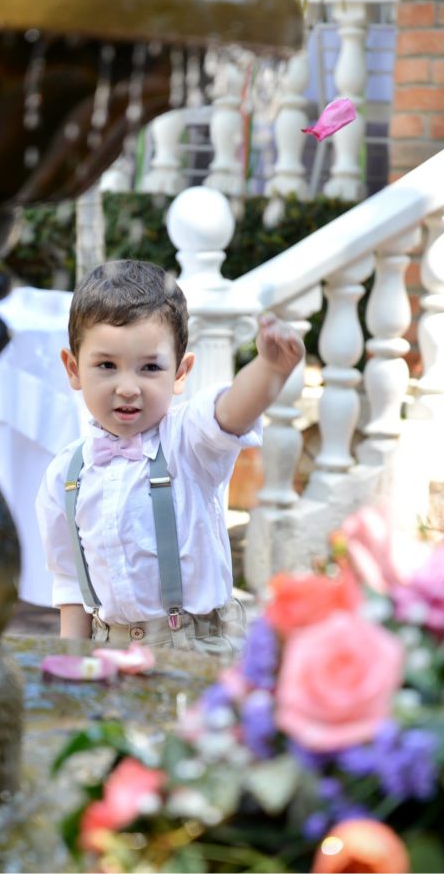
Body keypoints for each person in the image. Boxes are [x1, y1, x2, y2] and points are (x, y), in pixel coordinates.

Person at [35, 259, 304, 654]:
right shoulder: (65, 475)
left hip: (196, 645)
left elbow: (231, 411)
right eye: (106, 365)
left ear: (180, 372)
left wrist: (269, 370)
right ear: (74, 369)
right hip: (107, 648)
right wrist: (71, 662)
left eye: (149, 368)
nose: (128, 387)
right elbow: (70, 583)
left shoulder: (188, 441)